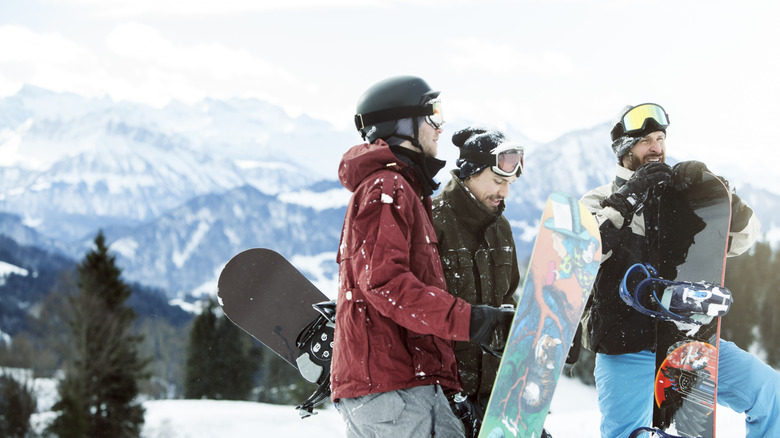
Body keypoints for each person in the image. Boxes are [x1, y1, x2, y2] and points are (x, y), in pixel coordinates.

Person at [580, 102, 780, 437]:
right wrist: (627, 200)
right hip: (626, 347)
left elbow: (743, 239)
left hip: (690, 343)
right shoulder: (599, 200)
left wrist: (723, 194)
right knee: (628, 434)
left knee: (770, 392)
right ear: (624, 150)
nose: (656, 147)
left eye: (660, 137)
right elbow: (582, 254)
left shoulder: (684, 201)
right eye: (645, 141)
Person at [331, 76, 513, 438]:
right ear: (403, 125)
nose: (440, 125)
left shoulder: (403, 187)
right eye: (433, 113)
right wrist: (470, 319)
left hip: (408, 384)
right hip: (393, 389)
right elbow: (385, 283)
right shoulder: (387, 187)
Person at [431, 127, 523, 437]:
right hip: (443, 396)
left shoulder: (501, 228)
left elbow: (509, 296)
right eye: (498, 182)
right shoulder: (432, 221)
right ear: (470, 173)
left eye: (508, 184)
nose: (505, 193)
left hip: (494, 396)